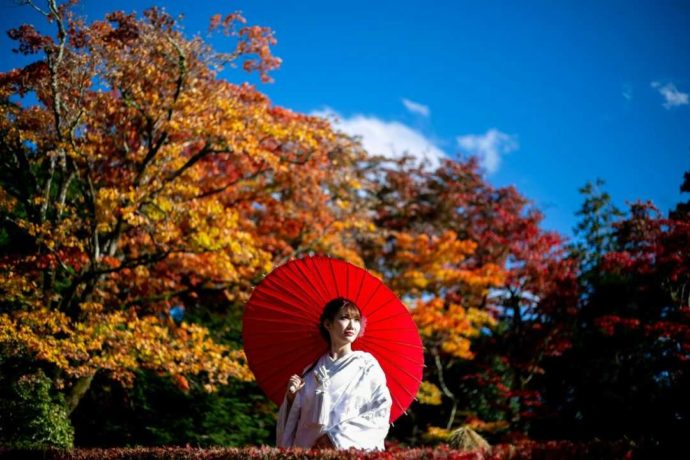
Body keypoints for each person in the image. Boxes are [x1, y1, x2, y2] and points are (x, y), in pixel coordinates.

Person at [276, 297, 392, 450]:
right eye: (344, 318)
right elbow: (296, 423)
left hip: (347, 450)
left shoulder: (367, 365)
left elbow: (381, 411)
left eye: (357, 320)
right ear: (327, 324)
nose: (352, 325)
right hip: (310, 452)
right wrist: (291, 399)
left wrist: (335, 437)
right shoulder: (311, 371)